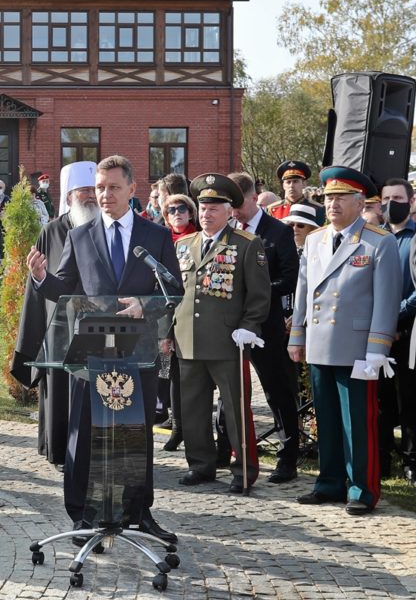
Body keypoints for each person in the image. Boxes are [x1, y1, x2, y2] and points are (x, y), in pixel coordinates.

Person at [26, 154, 178, 544]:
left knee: (136, 433)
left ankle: (139, 511)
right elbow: (65, 289)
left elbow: (174, 289)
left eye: (113, 187)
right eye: (99, 187)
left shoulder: (156, 236)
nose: (105, 194)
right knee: (85, 433)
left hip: (137, 350)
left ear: (131, 189)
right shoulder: (80, 235)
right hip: (90, 354)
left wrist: (146, 305)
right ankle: (82, 514)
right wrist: (42, 277)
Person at [290, 166, 400, 515]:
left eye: (340, 198)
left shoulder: (378, 241)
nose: (332, 204)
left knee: (357, 421)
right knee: (327, 418)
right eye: (327, 198)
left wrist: (377, 350)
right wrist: (297, 337)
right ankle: (329, 482)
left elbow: (386, 301)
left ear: (359, 201)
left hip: (357, 346)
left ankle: (361, 489)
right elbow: (303, 291)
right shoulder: (315, 239)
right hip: (321, 341)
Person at [171, 174, 269, 494]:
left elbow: (258, 296)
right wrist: (167, 332)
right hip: (189, 339)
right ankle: (201, 465)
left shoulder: (247, 245)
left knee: (236, 409)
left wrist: (249, 327)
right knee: (193, 409)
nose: (206, 213)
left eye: (214, 207)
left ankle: (243, 470)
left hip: (228, 341)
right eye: (202, 207)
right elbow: (173, 294)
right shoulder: (184, 245)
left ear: (229, 210)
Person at [13, 161, 97, 468]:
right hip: (61, 327)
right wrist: (38, 277)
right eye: (83, 191)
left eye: (93, 190)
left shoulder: (106, 227)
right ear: (70, 194)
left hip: (100, 328)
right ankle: (59, 449)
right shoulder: (52, 231)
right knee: (61, 389)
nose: (90, 197)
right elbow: (42, 284)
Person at [222, 171, 301, 483]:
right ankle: (229, 451)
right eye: (232, 205)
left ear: (255, 197)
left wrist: (257, 292)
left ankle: (287, 457)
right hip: (231, 325)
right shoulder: (228, 231)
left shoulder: (278, 232)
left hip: (266, 326)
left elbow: (290, 278)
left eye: (239, 205)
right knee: (228, 391)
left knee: (277, 391)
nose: (236, 212)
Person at [382, 178, 416, 482]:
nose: (391, 203)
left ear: (411, 202)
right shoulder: (376, 238)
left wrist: (393, 320)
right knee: (379, 400)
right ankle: (381, 456)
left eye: (398, 197)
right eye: (387, 198)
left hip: (407, 334)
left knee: (409, 400)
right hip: (376, 335)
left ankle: (410, 459)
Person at [159, 192, 198, 448]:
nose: (177, 213)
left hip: (195, 317)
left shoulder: (198, 238)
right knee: (171, 374)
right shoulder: (161, 240)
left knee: (196, 378)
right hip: (168, 316)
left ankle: (196, 429)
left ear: (191, 211)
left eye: (182, 208)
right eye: (171, 210)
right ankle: (177, 427)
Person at [269, 161, 324, 225]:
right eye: (288, 182)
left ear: (304, 184)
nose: (291, 186)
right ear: (283, 185)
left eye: (295, 181)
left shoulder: (317, 209)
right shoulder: (273, 209)